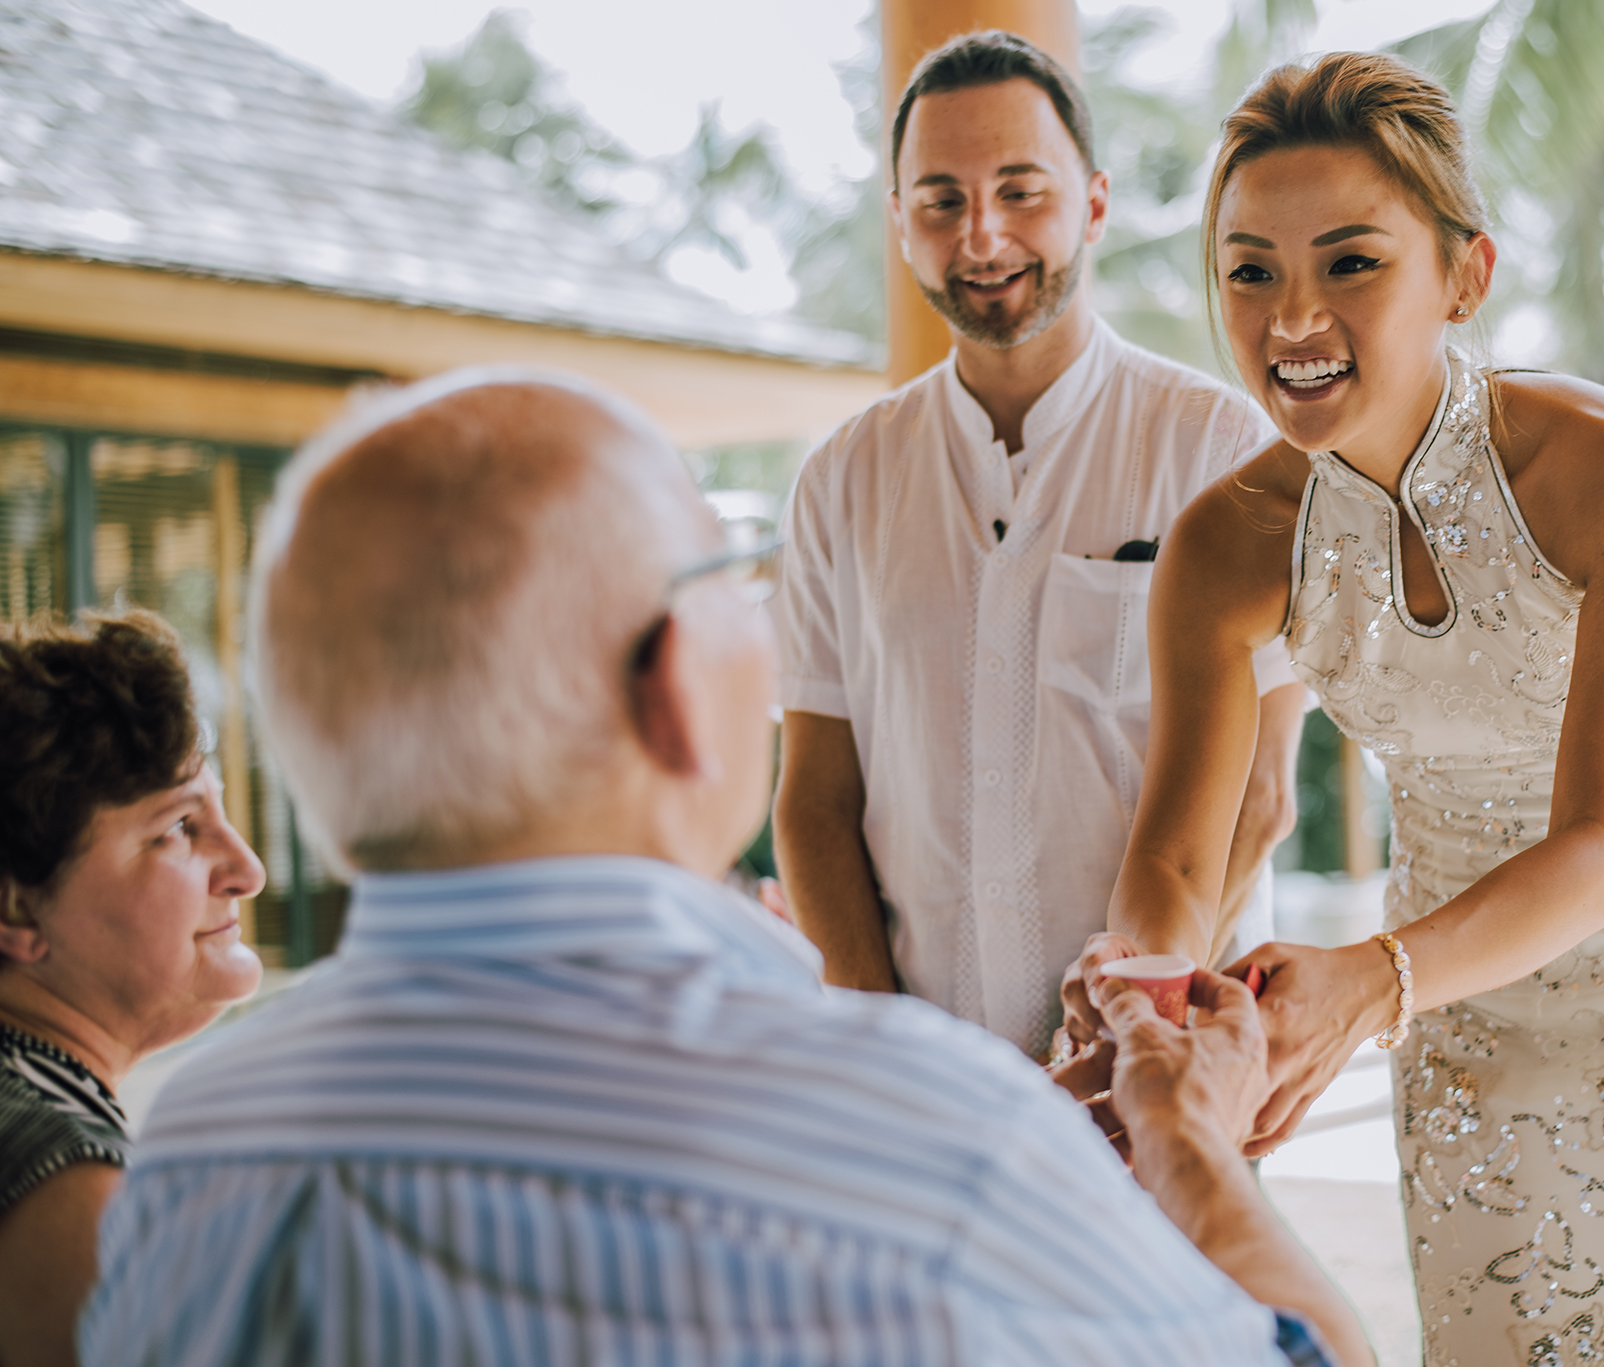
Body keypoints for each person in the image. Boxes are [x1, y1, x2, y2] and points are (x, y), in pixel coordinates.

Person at [79, 371, 1376, 1367]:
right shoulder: (939, 1146)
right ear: (675, 690)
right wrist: (1189, 1140)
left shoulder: (198, 1150)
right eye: (724, 581)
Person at [1064, 53, 1604, 1366]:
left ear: (1463, 276)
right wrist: (1144, 995)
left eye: (1350, 262)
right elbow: (1178, 855)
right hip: (1464, 1005)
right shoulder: (1222, 545)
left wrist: (1372, 983)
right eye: (1249, 271)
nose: (1291, 316)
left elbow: (1598, 847)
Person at [774, 30, 1308, 1056]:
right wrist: (883, 1052)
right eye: (941, 200)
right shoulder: (840, 478)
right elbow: (814, 801)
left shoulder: (1220, 450)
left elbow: (1263, 790)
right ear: (898, 220)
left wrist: (1119, 1043)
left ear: (1095, 204)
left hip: (1164, 1067)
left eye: (1021, 191)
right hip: (927, 1081)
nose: (981, 236)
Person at [0, 610, 266, 1367]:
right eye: (177, 827)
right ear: (17, 909)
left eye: (218, 809)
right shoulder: (74, 1200)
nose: (247, 869)